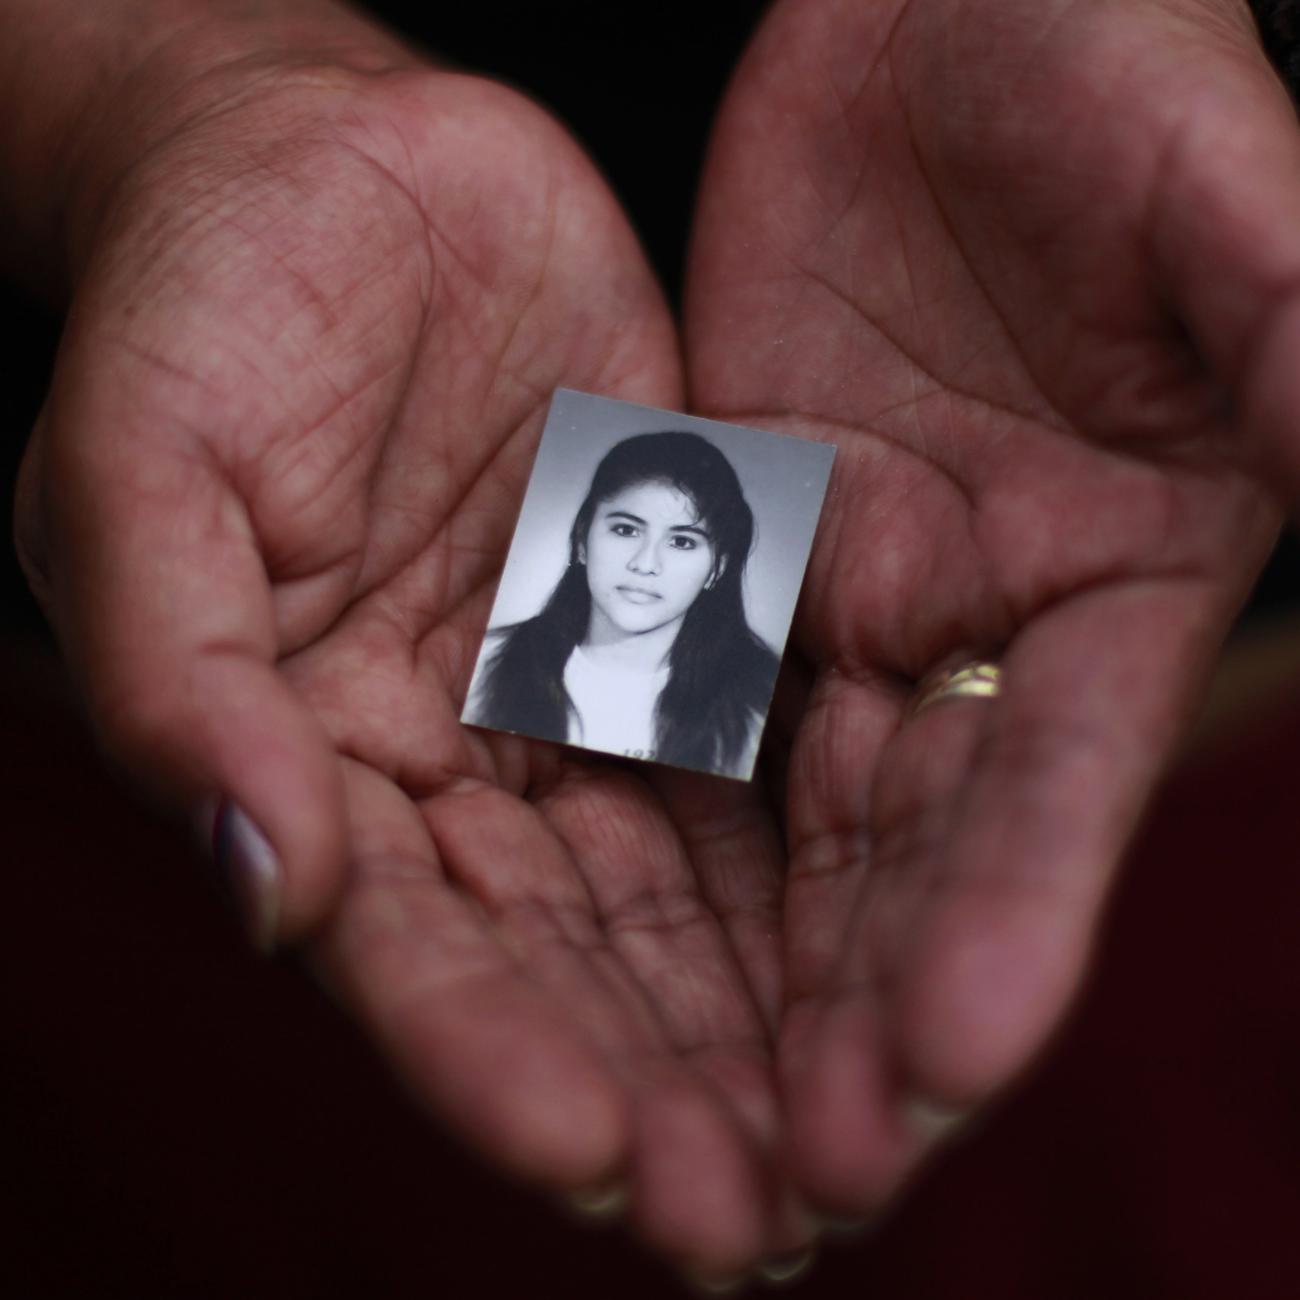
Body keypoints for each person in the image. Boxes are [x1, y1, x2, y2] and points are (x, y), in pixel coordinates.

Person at [5, 0, 1300, 1285]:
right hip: (242, 721)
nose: (644, 567)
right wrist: (147, 71)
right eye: (622, 528)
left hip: (1153, 725)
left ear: (725, 567)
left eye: (686, 547)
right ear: (575, 540)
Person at [468, 431, 778, 777]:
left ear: (716, 569)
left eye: (681, 541)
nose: (645, 563)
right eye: (626, 530)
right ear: (583, 540)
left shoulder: (758, 708)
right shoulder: (484, 661)